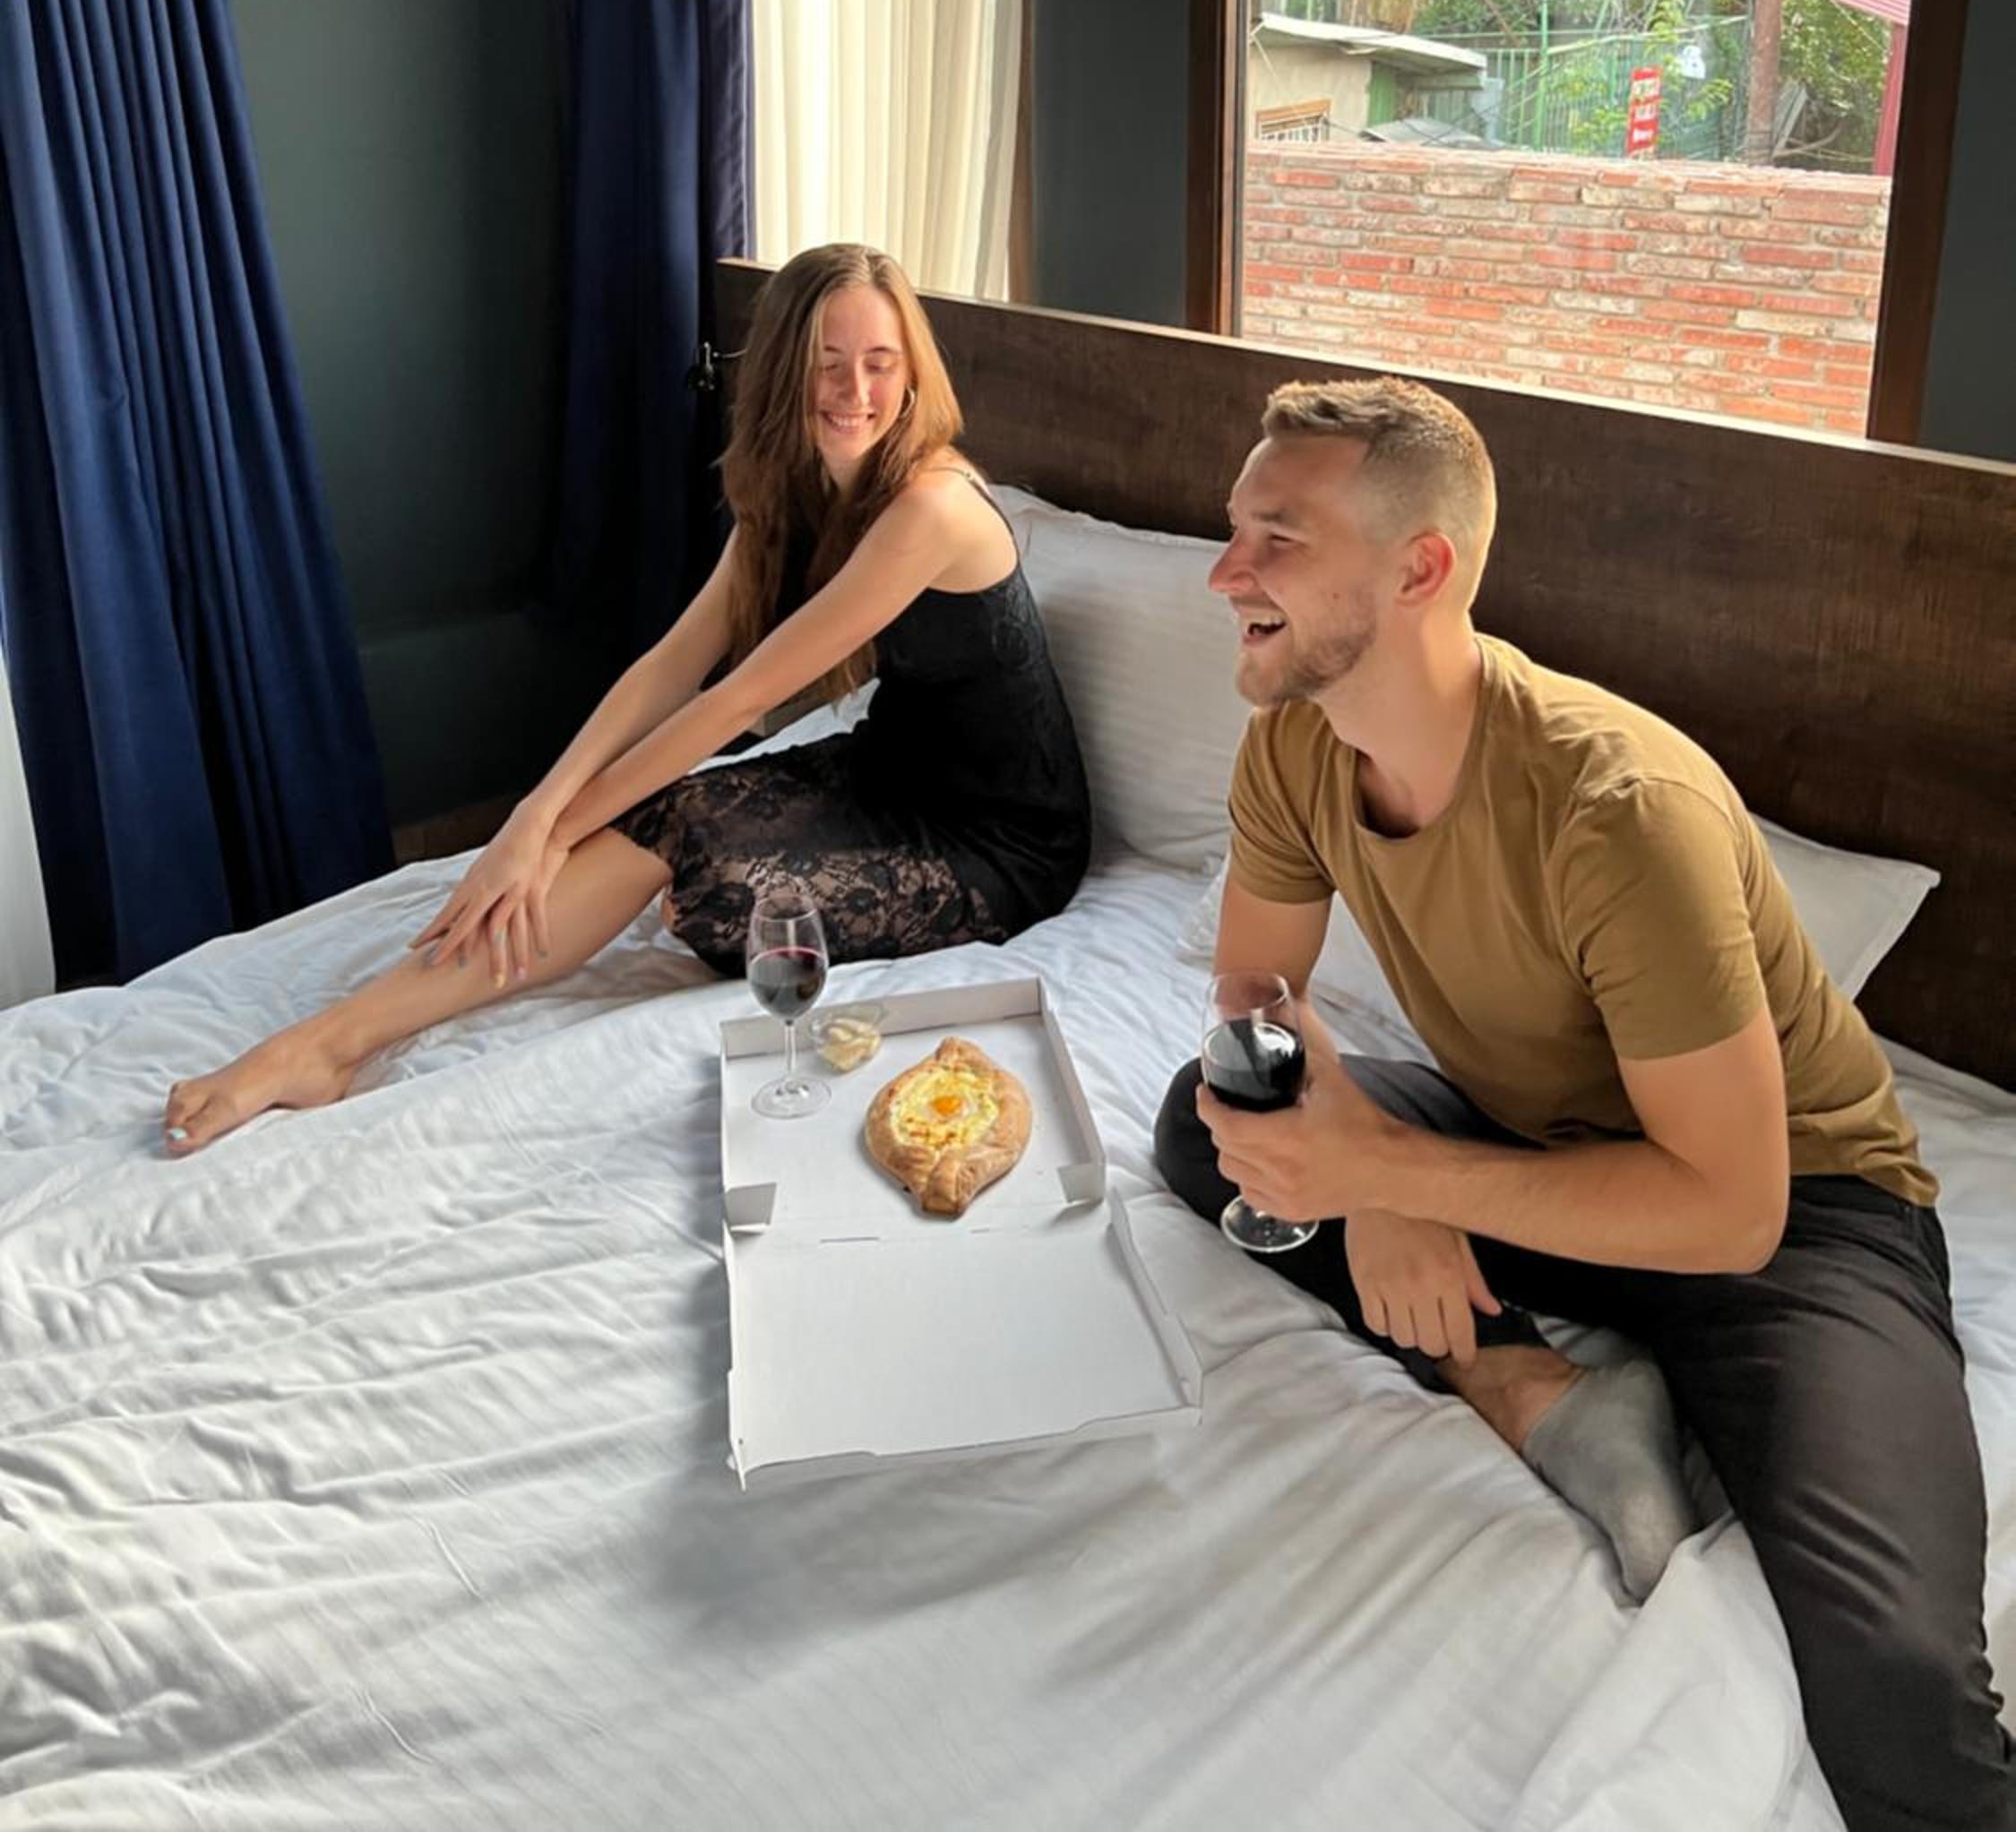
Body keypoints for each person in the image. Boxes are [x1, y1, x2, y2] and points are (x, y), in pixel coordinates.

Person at [1154, 374, 2011, 1832]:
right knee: (1206, 1118)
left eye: (1276, 539)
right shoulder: (1297, 744)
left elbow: (1729, 1208)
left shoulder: (1618, 812)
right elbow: (1255, 993)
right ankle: (1539, 1392)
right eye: (1237, 528)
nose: (1225, 571)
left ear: (1419, 569)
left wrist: (1391, 1176)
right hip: (1535, 1145)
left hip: (1792, 1215)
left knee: (1899, 1682)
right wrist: (1366, 1166)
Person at [161, 244, 1090, 1154]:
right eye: (828, 363)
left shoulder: (931, 507)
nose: (855, 390)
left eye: (880, 363)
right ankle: (329, 1043)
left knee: (701, 889)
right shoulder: (801, 485)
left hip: (997, 840)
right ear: (784, 372)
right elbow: (671, 668)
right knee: (658, 817)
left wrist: (550, 841)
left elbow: (732, 704)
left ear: (914, 373)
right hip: (888, 769)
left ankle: (331, 1043)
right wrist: (532, 819)